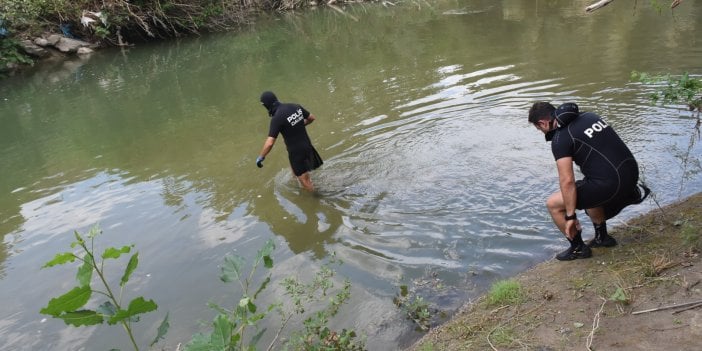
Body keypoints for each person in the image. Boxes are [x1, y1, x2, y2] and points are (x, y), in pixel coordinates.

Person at [528, 102, 650, 261]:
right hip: (631, 176)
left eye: (539, 129)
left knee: (553, 204)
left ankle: (578, 248)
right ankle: (602, 238)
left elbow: (567, 181)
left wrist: (571, 217)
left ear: (542, 123)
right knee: (589, 184)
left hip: (612, 185)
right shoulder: (589, 116)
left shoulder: (561, 138)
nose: (541, 132)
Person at [256, 91, 323, 192]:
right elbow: (311, 118)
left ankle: (317, 199)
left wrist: (261, 156)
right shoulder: (295, 106)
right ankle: (302, 189)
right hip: (307, 145)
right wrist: (296, 125)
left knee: (305, 181)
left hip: (296, 152)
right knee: (296, 174)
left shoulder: (277, 118)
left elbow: (270, 143)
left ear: (266, 105)